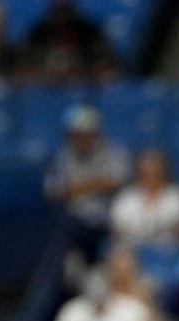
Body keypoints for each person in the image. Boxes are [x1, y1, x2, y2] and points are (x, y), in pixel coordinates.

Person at [43, 104, 131, 268]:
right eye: (76, 134)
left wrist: (76, 188)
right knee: (59, 247)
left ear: (96, 133)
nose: (81, 139)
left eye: (86, 133)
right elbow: (52, 191)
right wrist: (96, 183)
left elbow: (117, 182)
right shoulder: (63, 157)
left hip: (108, 221)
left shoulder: (114, 153)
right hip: (75, 223)